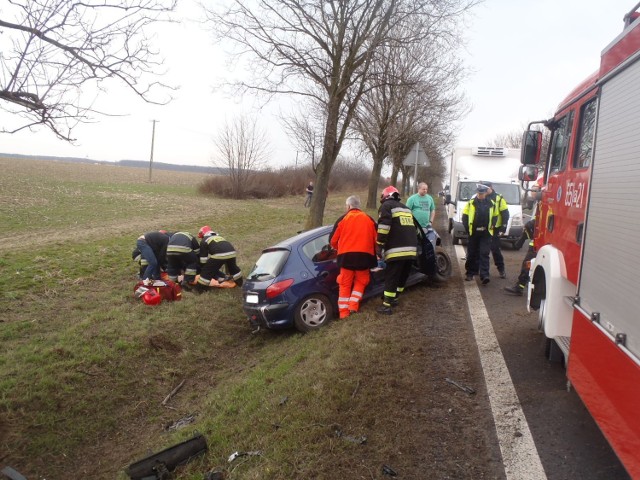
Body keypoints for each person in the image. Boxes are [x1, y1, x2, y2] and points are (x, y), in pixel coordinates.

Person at [329, 195, 378, 319]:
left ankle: (344, 313)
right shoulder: (369, 219)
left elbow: (333, 241)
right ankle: (353, 306)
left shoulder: (343, 219)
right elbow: (377, 239)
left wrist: (339, 247)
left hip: (346, 258)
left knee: (345, 284)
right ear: (358, 206)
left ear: (349, 206)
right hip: (364, 257)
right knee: (361, 281)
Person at [376, 186, 418, 315]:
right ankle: (394, 298)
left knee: (391, 276)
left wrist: (379, 245)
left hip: (396, 250)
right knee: (402, 276)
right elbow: (414, 229)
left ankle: (387, 305)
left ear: (386, 195)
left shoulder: (386, 207)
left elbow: (383, 227)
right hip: (411, 250)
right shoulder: (406, 208)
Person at [462, 183, 500, 285]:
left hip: (486, 233)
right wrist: (467, 228)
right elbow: (464, 216)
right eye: (479, 193)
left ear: (485, 193)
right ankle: (470, 273)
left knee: (484, 253)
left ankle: (485, 275)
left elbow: (496, 215)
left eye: (482, 193)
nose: (481, 195)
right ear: (477, 193)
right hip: (473, 232)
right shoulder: (471, 203)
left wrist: (493, 224)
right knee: (472, 253)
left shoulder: (491, 203)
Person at [483, 181, 509, 279]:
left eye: (487, 188)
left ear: (491, 188)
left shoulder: (499, 198)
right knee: (482, 250)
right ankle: (482, 271)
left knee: (495, 250)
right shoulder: (481, 196)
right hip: (484, 228)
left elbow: (505, 213)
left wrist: (503, 227)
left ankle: (501, 269)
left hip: (495, 229)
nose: (485, 190)